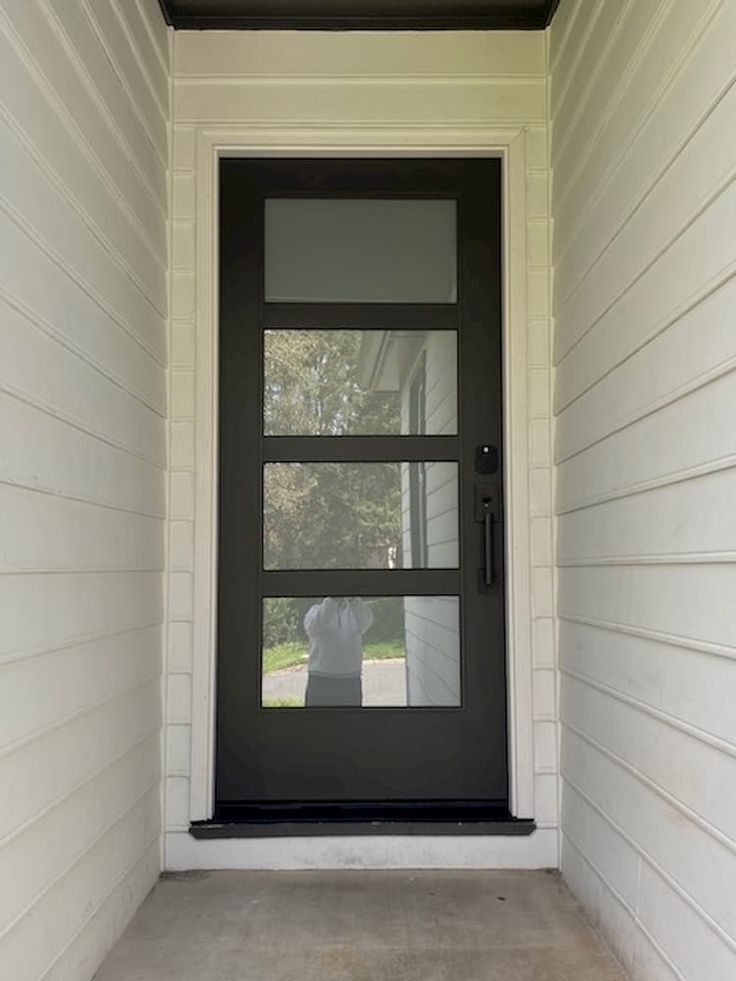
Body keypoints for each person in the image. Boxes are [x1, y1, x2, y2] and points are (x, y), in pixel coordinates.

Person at [303, 597, 373, 706]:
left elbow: (365, 623)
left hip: (350, 679)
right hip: (320, 680)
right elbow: (314, 627)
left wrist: (353, 600)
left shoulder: (357, 611)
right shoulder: (315, 611)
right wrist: (331, 601)